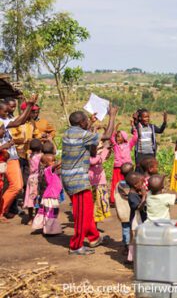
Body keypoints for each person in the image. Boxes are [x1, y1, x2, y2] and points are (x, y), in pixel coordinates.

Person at [61, 107, 116, 255]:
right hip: (78, 179)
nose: (87, 121)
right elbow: (108, 135)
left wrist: (91, 124)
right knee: (82, 214)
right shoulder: (82, 134)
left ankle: (94, 237)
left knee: (85, 210)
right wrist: (112, 116)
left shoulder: (68, 132)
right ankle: (76, 245)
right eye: (85, 120)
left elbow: (89, 139)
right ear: (81, 122)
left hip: (69, 177)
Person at [0, 94, 38, 220]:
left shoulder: (5, 121)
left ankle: (3, 210)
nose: (8, 113)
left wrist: (30, 105)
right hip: (3, 156)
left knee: (17, 186)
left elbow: (19, 121)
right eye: (5, 111)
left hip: (11, 156)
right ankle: (2, 211)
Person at [31, 153, 62, 235]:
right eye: (52, 161)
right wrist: (65, 157)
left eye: (54, 160)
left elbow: (58, 166)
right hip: (50, 197)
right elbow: (57, 165)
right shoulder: (47, 170)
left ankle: (48, 229)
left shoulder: (51, 170)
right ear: (45, 163)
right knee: (51, 214)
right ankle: (49, 231)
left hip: (52, 196)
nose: (54, 162)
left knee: (50, 213)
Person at [109, 120, 138, 205]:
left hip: (127, 168)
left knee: (128, 183)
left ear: (124, 138)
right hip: (117, 168)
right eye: (117, 137)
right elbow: (111, 137)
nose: (117, 138)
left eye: (119, 137)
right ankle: (114, 200)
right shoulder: (115, 146)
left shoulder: (128, 145)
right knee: (116, 183)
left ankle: (128, 197)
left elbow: (135, 137)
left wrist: (133, 127)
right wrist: (115, 128)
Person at [126, 172, 147, 263]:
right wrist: (144, 196)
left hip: (139, 219)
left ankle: (132, 257)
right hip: (136, 221)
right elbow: (139, 207)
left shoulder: (135, 193)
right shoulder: (131, 195)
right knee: (135, 239)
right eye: (141, 183)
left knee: (136, 239)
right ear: (135, 185)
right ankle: (132, 258)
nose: (143, 185)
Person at [113, 162, 134, 255]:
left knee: (125, 229)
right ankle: (132, 247)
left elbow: (115, 197)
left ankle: (126, 246)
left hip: (123, 213)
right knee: (133, 229)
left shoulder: (118, 185)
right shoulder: (134, 185)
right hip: (132, 212)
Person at [89, 140, 111, 224]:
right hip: (94, 185)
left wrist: (107, 150)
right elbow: (95, 161)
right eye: (99, 148)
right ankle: (93, 224)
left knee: (99, 205)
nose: (100, 150)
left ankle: (95, 223)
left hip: (100, 183)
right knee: (95, 204)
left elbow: (104, 158)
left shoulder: (98, 156)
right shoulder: (90, 158)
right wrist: (104, 149)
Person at [23, 138, 43, 224]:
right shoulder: (41, 156)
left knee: (31, 198)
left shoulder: (29, 156)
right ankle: (37, 218)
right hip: (37, 178)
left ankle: (30, 218)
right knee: (37, 198)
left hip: (30, 178)